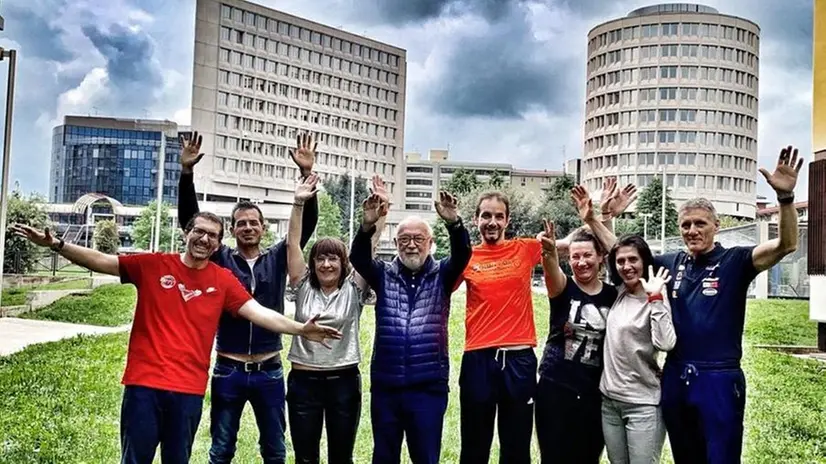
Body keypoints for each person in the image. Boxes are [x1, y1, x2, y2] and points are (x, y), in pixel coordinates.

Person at [9, 215, 341, 464]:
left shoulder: (223, 280)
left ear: (217, 244)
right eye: (199, 231)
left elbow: (259, 312)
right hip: (144, 385)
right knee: (135, 459)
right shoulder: (153, 265)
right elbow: (102, 261)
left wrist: (299, 329)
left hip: (188, 391)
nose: (204, 239)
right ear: (187, 233)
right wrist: (57, 245)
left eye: (212, 236)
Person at [456, 181, 635, 464]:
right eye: (486, 216)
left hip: (519, 360)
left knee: (516, 448)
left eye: (499, 216)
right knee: (474, 446)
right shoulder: (467, 257)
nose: (492, 222)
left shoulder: (524, 248)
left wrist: (602, 216)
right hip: (478, 358)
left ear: (508, 220)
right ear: (476, 219)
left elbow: (580, 246)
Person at [177, 132, 319, 464]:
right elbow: (190, 222)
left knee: (274, 449)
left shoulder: (278, 256)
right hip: (229, 369)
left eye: (254, 223)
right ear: (231, 230)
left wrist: (305, 176)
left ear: (264, 228)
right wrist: (187, 174)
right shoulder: (220, 259)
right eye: (241, 224)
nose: (248, 228)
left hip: (269, 369)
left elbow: (306, 226)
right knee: (222, 449)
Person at [656, 146, 803, 464]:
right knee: (685, 456)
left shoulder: (735, 260)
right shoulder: (670, 263)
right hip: (676, 375)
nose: (692, 230)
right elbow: (624, 257)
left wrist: (785, 200)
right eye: (685, 225)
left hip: (719, 379)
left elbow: (786, 244)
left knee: (721, 457)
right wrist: (601, 219)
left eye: (700, 224)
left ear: (716, 225)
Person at [349, 190, 472, 464]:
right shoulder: (382, 274)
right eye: (404, 239)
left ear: (430, 243)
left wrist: (455, 223)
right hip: (386, 387)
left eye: (418, 239)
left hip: (428, 388)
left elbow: (463, 255)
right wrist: (367, 225)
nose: (411, 245)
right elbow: (358, 258)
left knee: (425, 457)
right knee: (384, 456)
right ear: (396, 242)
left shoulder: (443, 274)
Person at [285, 173, 388, 464]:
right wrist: (298, 203)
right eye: (320, 258)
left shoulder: (354, 288)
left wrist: (380, 209)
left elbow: (372, 244)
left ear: (344, 263)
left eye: (334, 258)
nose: (327, 264)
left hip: (343, 381)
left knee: (341, 457)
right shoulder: (302, 285)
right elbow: (293, 244)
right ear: (313, 262)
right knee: (305, 458)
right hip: (303, 381)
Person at [601, 235, 676, 464]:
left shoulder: (655, 296)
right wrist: (600, 216)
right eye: (620, 261)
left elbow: (666, 343)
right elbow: (609, 246)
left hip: (642, 405)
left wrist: (655, 298)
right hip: (609, 403)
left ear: (645, 261)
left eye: (633, 259)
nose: (626, 266)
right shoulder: (620, 291)